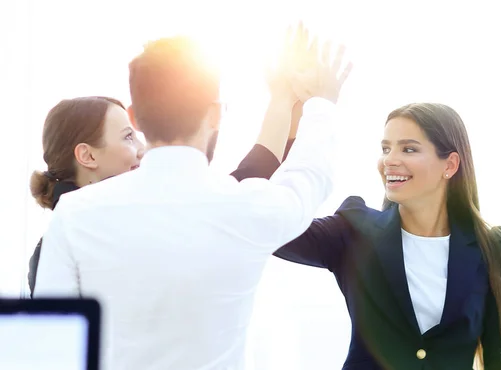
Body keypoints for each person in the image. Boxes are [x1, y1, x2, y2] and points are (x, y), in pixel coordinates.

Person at [33, 31, 353, 370]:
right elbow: (310, 175)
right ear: (215, 114)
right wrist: (322, 104)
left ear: (133, 117)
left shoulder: (74, 216)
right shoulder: (248, 207)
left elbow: (51, 346)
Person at [27, 24, 309, 296]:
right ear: (87, 155)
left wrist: (285, 99)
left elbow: (252, 171)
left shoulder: (141, 210)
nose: (142, 148)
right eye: (128, 137)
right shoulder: (63, 244)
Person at [272, 103, 501, 370]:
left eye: (409, 149)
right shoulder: (355, 231)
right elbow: (267, 226)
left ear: (449, 165)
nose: (389, 159)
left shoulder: (491, 248)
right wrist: (290, 107)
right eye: (385, 148)